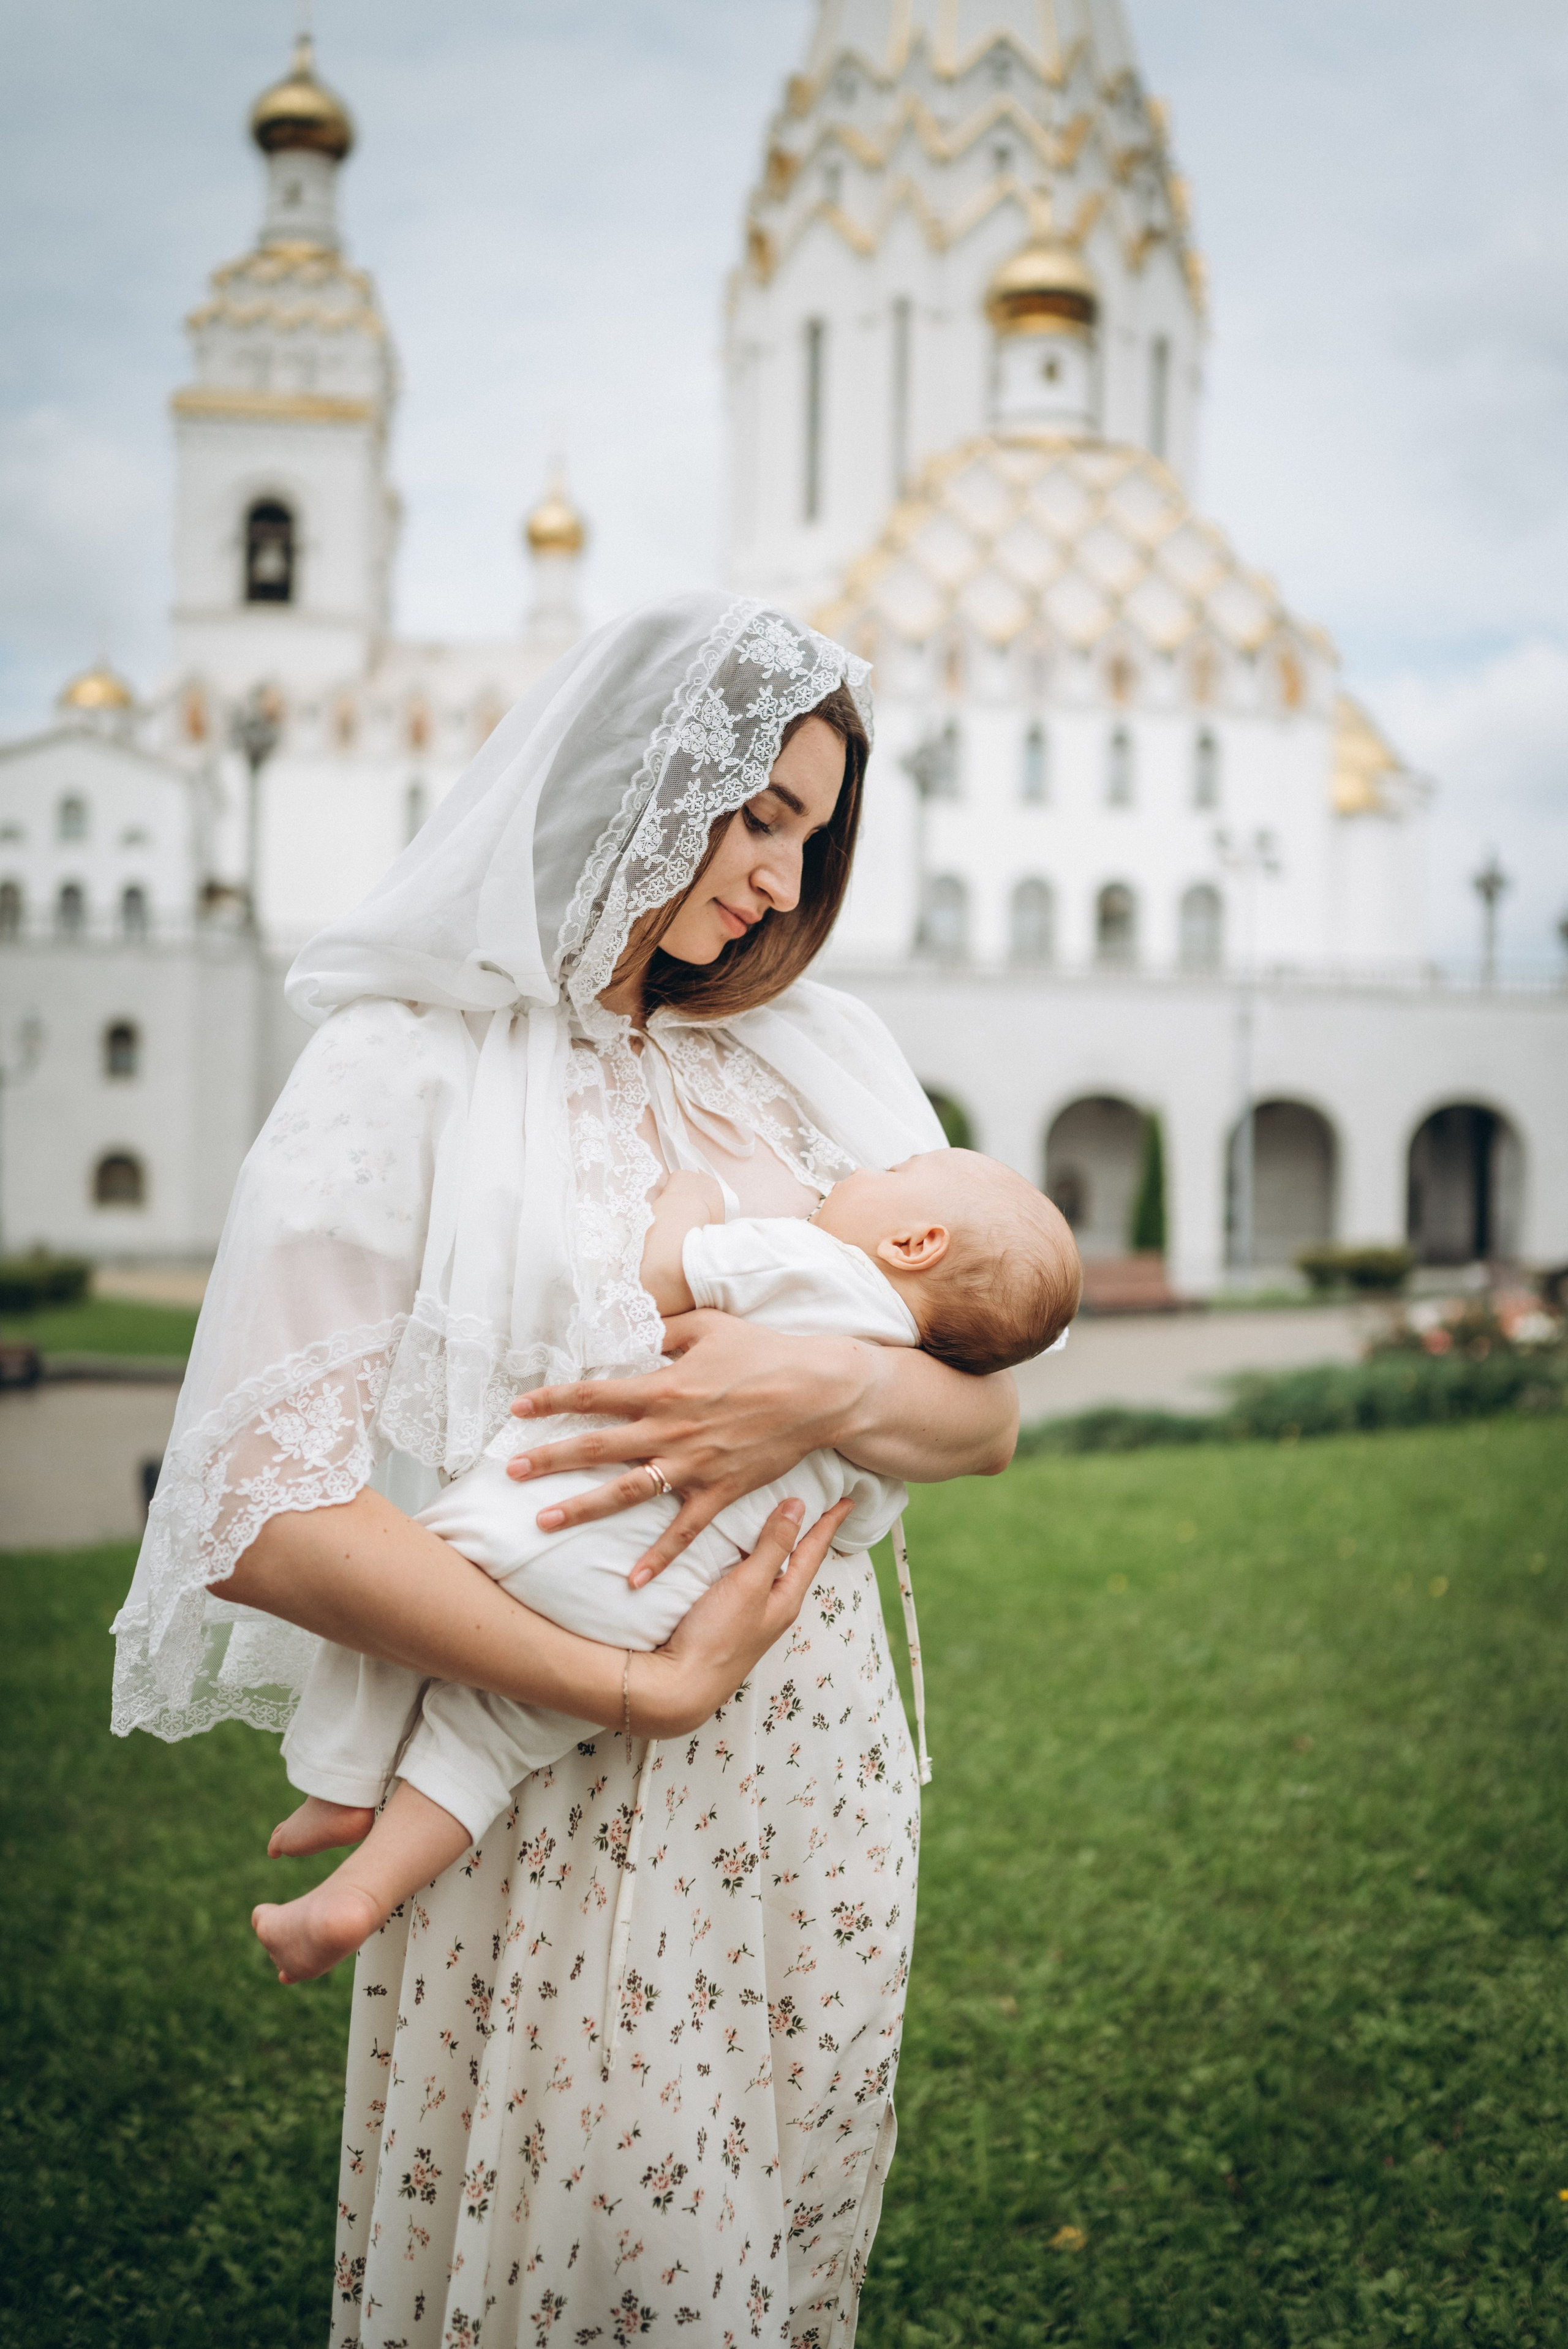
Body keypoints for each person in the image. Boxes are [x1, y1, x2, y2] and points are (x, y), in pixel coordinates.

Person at [110, 593, 1022, 2347]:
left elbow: (986, 1418)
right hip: (548, 1795)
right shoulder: (404, 1068)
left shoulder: (819, 1056)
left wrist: (811, 1387)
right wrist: (629, 1681)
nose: (779, 876)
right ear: (635, 773)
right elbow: (256, 1504)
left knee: (782, 2257)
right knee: (609, 2279)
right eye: (757, 815)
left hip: (820, 1790)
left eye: (811, 837)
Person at [252, 1154, 1079, 1988]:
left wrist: (696, 1198)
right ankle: (354, 1897)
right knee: (487, 1743)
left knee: (407, 1591)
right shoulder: (905, 1383)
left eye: (897, 1168)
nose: (858, 1172)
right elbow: (855, 1525)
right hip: (665, 1610)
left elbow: (652, 1281)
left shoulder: (808, 1262)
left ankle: (342, 1779)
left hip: (573, 1525)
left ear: (913, 1241)